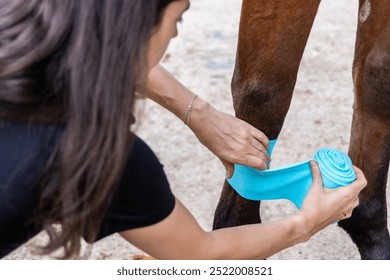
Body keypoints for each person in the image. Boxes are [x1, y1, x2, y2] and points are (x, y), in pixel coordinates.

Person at [0, 0, 366, 259]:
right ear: (138, 30)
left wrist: (199, 113)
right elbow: (197, 253)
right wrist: (304, 223)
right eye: (177, 21)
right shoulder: (97, 155)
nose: (174, 35)